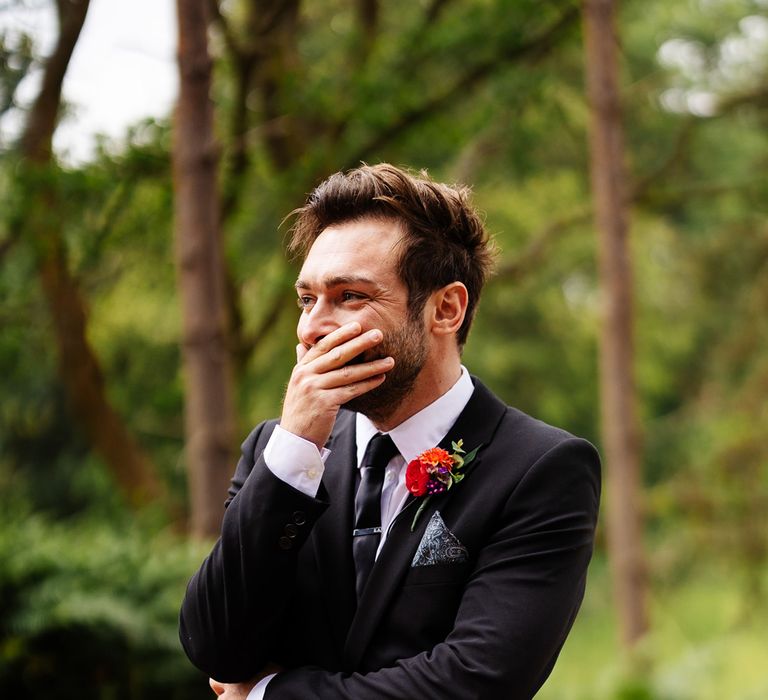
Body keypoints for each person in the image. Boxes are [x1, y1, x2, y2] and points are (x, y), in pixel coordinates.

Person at [179, 163, 601, 699]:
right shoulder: (277, 454)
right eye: (308, 299)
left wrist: (267, 696)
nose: (311, 328)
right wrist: (293, 450)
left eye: (350, 296)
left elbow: (476, 681)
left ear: (445, 309)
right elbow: (216, 647)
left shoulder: (541, 468)